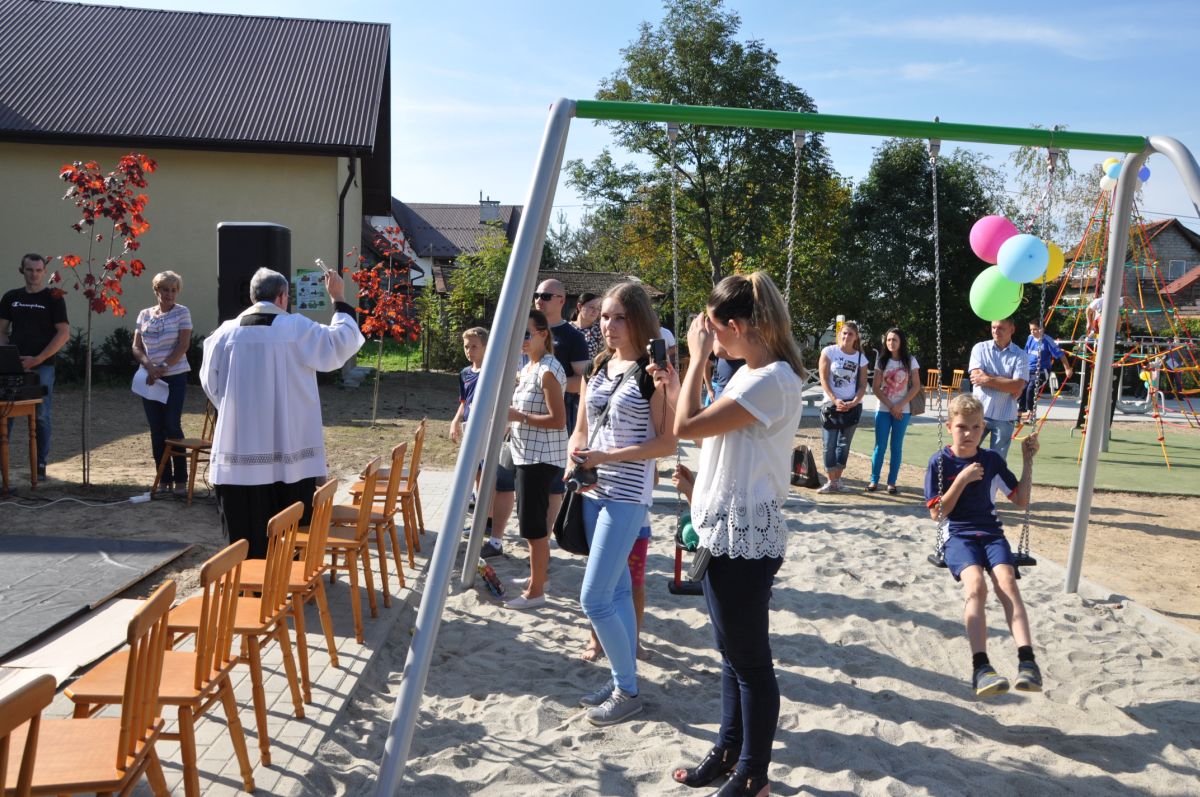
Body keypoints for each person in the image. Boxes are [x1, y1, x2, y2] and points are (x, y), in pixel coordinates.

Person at [660, 272, 805, 797]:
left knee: (751, 664)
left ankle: (753, 775)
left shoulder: (772, 380)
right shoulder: (751, 373)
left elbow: (685, 427)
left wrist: (695, 358)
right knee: (732, 655)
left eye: (713, 328)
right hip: (724, 528)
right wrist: (699, 483)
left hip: (745, 537)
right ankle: (728, 752)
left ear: (738, 326)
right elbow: (723, 441)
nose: (710, 336)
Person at [200, 267, 363, 558]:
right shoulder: (296, 328)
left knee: (244, 532)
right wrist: (338, 298)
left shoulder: (223, 333)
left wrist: (237, 412)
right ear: (282, 296)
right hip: (290, 452)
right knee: (289, 531)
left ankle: (248, 580)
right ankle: (287, 580)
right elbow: (340, 344)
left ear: (253, 297)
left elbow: (211, 386)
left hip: (239, 450)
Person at [570, 281, 674, 725]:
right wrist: (574, 459)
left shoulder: (653, 373)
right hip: (592, 490)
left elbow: (667, 444)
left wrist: (606, 457)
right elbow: (581, 426)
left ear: (639, 320)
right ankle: (622, 681)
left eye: (619, 318)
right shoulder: (599, 365)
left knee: (593, 599)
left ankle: (627, 691)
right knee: (615, 593)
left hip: (627, 495)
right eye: (605, 317)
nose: (608, 326)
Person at [925, 394, 1043, 698]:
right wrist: (962, 479)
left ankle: (1027, 661)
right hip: (957, 535)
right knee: (976, 586)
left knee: (1007, 583)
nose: (969, 433)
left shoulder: (991, 460)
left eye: (976, 427)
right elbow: (938, 514)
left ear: (983, 428)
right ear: (949, 427)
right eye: (962, 427)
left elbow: (1021, 500)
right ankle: (981, 667)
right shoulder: (940, 462)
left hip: (991, 533)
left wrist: (1027, 461)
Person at [504, 309, 567, 610]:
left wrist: (519, 417)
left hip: (540, 458)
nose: (523, 339)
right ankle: (538, 578)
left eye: (527, 333)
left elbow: (558, 420)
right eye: (519, 333)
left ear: (543, 334)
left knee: (533, 527)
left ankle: (536, 591)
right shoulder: (530, 366)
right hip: (527, 454)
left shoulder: (547, 369)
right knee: (533, 525)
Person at [0, 253, 70, 479]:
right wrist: (9, 357)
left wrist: (37, 359)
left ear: (45, 272)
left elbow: (63, 333)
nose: (34, 274)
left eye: (39, 270)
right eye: (30, 270)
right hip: (13, 367)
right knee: (5, 413)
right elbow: (1, 331)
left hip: (43, 366)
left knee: (41, 415)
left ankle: (39, 465)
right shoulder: (11, 297)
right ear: (22, 270)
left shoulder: (54, 297)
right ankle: (3, 468)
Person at [449, 327, 514, 559]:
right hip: (470, 426)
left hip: (488, 426)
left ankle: (489, 519)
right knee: (476, 472)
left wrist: (504, 423)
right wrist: (455, 421)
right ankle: (482, 518)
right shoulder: (465, 372)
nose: (469, 351)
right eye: (466, 346)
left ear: (486, 347)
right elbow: (464, 401)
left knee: (490, 473)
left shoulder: (494, 371)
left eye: (474, 346)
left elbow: (505, 396)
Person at [132, 271, 193, 494]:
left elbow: (183, 345)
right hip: (150, 378)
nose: (169, 294)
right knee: (156, 429)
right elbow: (136, 346)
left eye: (173, 290)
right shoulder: (144, 314)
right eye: (165, 290)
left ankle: (181, 479)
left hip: (174, 376)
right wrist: (149, 367)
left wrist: (163, 367)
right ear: (156, 290)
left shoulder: (182, 312)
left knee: (171, 425)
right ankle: (163, 478)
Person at [967, 317, 1028, 462]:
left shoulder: (1020, 355)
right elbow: (976, 376)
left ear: (1012, 329)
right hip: (979, 413)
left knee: (997, 463)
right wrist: (1007, 382)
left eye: (1000, 328)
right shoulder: (980, 348)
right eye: (993, 327)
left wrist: (988, 379)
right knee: (967, 455)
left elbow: (1017, 385)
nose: (996, 331)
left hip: (1005, 416)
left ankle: (991, 479)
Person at [533, 278, 590, 434]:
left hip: (557, 418)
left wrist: (545, 384)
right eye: (536, 295)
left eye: (545, 296)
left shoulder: (573, 337)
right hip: (525, 413)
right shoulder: (524, 332)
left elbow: (584, 381)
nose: (539, 300)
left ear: (562, 300)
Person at [817, 320, 867, 493]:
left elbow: (862, 384)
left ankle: (837, 480)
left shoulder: (860, 358)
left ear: (856, 337)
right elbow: (823, 378)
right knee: (829, 444)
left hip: (851, 405)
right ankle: (830, 481)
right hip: (831, 405)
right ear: (840, 334)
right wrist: (834, 399)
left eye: (850, 334)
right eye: (844, 333)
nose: (847, 336)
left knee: (844, 445)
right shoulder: (829, 351)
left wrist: (854, 402)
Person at [869, 327, 921, 494]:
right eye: (889, 339)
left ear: (901, 342)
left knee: (896, 447)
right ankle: (874, 480)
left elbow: (916, 386)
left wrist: (900, 405)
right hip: (883, 409)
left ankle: (891, 482)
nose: (891, 342)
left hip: (902, 411)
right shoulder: (881, 361)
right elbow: (875, 387)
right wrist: (891, 406)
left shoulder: (910, 360)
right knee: (880, 446)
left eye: (895, 340)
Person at [1021, 319, 1073, 423]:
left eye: (1035, 329)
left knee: (1031, 388)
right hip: (1028, 370)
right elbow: (1025, 353)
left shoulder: (1048, 340)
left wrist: (1067, 368)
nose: (1032, 332)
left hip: (1041, 371)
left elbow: (1061, 355)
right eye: (1031, 330)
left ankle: (1031, 414)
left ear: (1042, 329)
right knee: (1022, 388)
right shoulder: (1030, 338)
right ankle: (1019, 412)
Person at [572, 291, 604, 359]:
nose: (595, 311)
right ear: (579, 306)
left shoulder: (600, 330)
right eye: (592, 307)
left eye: (598, 308)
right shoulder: (566, 328)